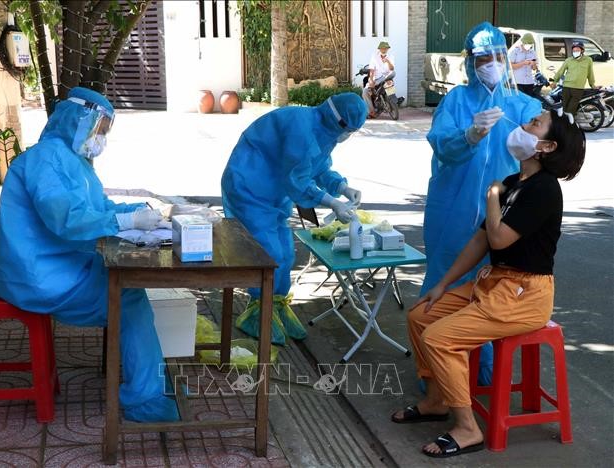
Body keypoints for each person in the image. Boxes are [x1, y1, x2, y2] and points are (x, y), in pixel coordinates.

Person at [391, 108, 586, 458]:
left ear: (546, 146)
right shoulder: (513, 182)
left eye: (534, 123)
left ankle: (467, 429)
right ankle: (436, 400)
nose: (523, 125)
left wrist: (492, 196)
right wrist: (442, 284)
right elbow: (480, 241)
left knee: (439, 338)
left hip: (525, 295)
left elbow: (498, 239)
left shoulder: (543, 190)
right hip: (495, 284)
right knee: (421, 315)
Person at [0, 87, 179, 423]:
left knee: (129, 292)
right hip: (39, 276)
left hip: (57, 264)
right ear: (78, 119)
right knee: (129, 296)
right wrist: (127, 222)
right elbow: (67, 220)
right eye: (99, 130)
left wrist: (140, 211)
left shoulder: (73, 160)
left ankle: (147, 382)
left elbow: (98, 207)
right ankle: (145, 397)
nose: (100, 139)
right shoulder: (46, 159)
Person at [420, 22, 542, 386]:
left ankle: (483, 373)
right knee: (444, 283)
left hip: (501, 211)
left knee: (489, 292)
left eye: (497, 57)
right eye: (482, 58)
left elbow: (542, 152)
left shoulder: (524, 105)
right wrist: (469, 135)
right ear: (470, 62)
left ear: (506, 57)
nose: (491, 64)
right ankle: (436, 376)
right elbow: (441, 144)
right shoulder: (456, 101)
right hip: (451, 209)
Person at [221, 92, 367, 345]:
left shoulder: (324, 131)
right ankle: (258, 311)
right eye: (350, 130)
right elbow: (297, 180)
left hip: (274, 193)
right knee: (268, 254)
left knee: (286, 254)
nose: (348, 135)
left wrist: (343, 187)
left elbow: (318, 168)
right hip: (249, 187)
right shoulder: (301, 128)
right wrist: (333, 203)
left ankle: (275, 305)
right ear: (339, 121)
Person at [552, 41, 598, 114]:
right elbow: (561, 71)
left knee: (571, 109)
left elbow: (590, 73)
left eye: (577, 50)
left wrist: (592, 84)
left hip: (578, 88)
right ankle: (565, 120)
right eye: (574, 50)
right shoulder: (568, 60)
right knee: (564, 107)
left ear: (582, 51)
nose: (575, 52)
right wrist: (555, 81)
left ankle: (570, 120)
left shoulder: (588, 60)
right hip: (566, 87)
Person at [362, 41, 395, 118]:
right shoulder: (374, 56)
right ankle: (371, 111)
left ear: (388, 49)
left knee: (390, 83)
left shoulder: (391, 56)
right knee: (365, 91)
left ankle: (394, 101)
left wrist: (388, 61)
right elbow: (372, 69)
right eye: (382, 48)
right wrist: (371, 80)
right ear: (379, 49)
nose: (384, 50)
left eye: (385, 48)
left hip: (387, 77)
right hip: (377, 78)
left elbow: (392, 68)